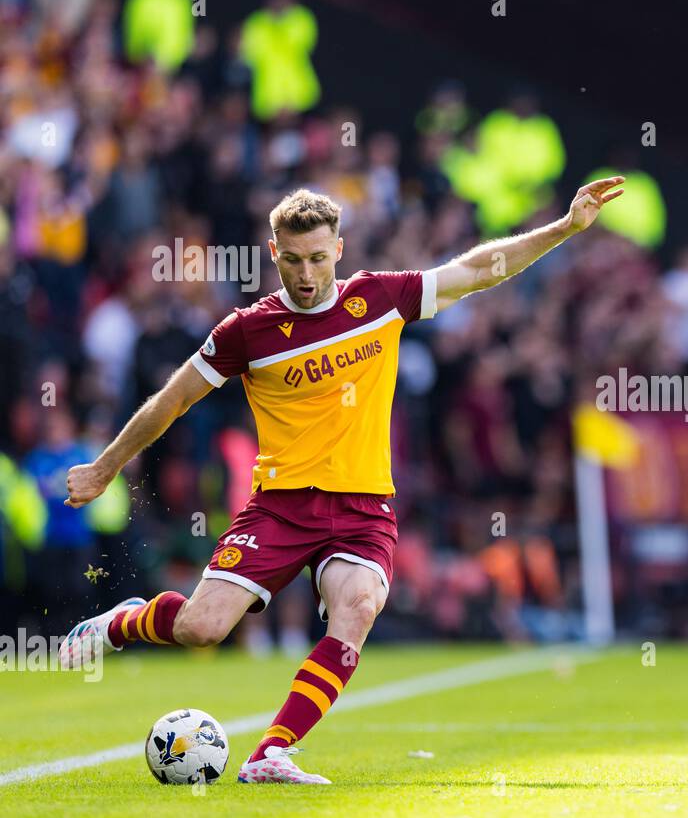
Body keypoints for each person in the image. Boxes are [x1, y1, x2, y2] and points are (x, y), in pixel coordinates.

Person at [57, 177, 625, 784]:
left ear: (340, 250)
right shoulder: (246, 331)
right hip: (278, 506)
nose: (306, 274)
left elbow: (479, 268)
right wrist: (106, 466)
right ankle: (119, 622)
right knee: (202, 628)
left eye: (319, 258)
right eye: (294, 260)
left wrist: (563, 227)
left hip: (361, 505)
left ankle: (271, 752)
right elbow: (171, 401)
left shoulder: (379, 299)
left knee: (358, 606)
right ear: (274, 255)